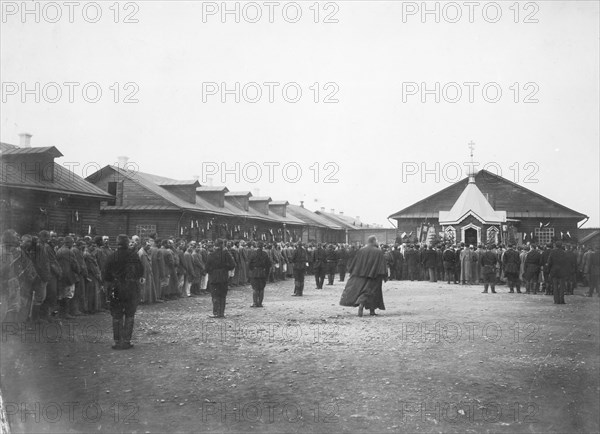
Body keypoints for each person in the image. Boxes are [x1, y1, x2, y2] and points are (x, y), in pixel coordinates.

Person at [104, 234, 144, 350]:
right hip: (131, 288)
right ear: (127, 243)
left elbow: (106, 275)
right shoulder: (134, 256)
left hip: (116, 289)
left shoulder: (112, 256)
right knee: (130, 314)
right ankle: (126, 341)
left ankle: (117, 341)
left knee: (116, 315)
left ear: (117, 243)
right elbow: (140, 271)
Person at [339, 235, 387, 317]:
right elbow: (381, 264)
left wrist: (353, 272)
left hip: (360, 275)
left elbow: (355, 262)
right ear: (374, 241)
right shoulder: (378, 251)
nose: (377, 242)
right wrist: (384, 275)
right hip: (374, 275)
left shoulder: (361, 250)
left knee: (362, 290)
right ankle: (372, 310)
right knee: (374, 292)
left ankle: (361, 304)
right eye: (377, 240)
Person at [205, 239, 235, 318]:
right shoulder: (226, 254)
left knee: (215, 295)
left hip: (214, 277)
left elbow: (207, 268)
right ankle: (221, 312)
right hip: (224, 277)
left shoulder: (211, 255)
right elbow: (232, 265)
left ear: (215, 245)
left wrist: (212, 271)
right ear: (222, 245)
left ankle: (216, 312)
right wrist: (225, 268)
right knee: (222, 295)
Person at [248, 242, 272, 307]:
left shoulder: (253, 253)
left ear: (257, 246)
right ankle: (260, 303)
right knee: (261, 288)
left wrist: (252, 270)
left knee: (255, 288)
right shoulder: (265, 254)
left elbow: (249, 264)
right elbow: (269, 264)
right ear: (262, 247)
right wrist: (266, 273)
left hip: (255, 272)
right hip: (262, 272)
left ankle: (255, 303)